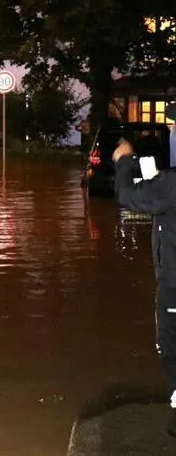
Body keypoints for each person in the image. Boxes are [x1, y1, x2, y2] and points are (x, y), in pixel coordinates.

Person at [114, 138, 176, 436]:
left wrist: (124, 159)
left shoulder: (171, 184)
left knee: (170, 346)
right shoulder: (168, 184)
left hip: (174, 286)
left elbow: (127, 195)